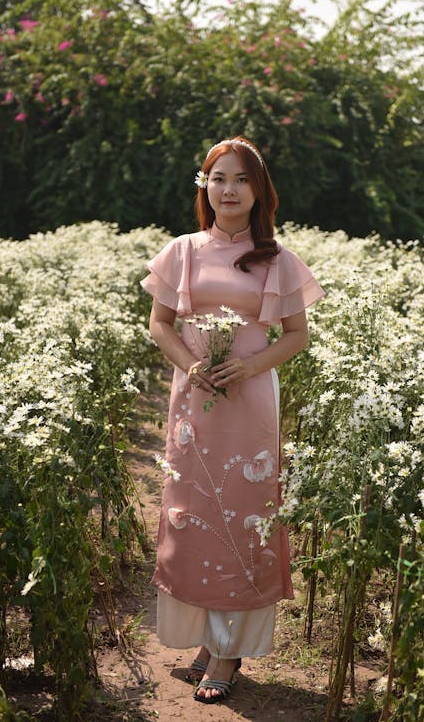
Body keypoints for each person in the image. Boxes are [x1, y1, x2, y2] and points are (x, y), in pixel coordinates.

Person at [140, 136, 325, 704]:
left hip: (249, 403)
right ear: (205, 186)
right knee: (192, 514)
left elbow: (296, 336)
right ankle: (205, 638)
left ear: (258, 190)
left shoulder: (278, 258)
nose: (229, 189)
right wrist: (193, 367)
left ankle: (228, 651)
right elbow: (161, 325)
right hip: (193, 401)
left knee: (245, 515)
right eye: (218, 177)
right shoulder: (182, 251)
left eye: (241, 179)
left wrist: (246, 369)